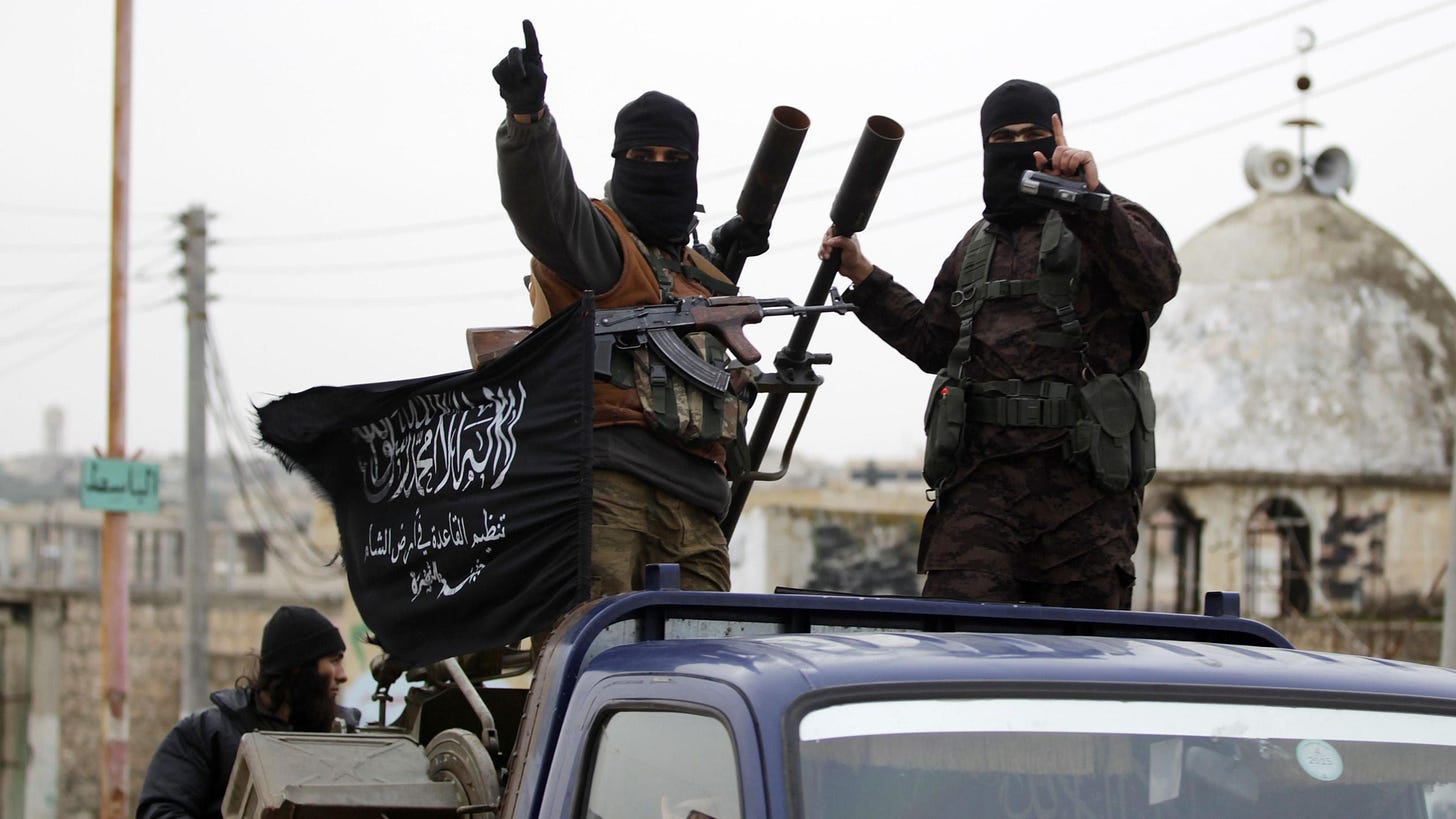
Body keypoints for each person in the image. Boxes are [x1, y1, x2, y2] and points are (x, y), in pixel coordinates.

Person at [821, 79, 1180, 610]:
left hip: (1082, 499)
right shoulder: (976, 245)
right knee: (957, 654)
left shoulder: (1108, 218)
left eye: (1032, 134)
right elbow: (932, 343)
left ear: (1059, 137)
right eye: (1002, 137)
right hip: (980, 495)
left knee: (1078, 668)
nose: (1017, 147)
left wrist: (1087, 201)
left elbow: (1155, 281)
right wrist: (863, 276)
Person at [493, 21, 763, 597]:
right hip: (607, 491)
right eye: (643, 155)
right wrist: (528, 123)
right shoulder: (600, 244)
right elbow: (546, 206)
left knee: (704, 669)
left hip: (698, 507)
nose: (658, 168)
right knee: (593, 660)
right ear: (619, 160)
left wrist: (719, 271)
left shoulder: (701, 273)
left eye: (673, 157)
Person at [136, 605, 358, 819]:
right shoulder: (207, 734)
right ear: (298, 667)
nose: (342, 675)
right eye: (334, 661)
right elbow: (159, 811)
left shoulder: (345, 739)